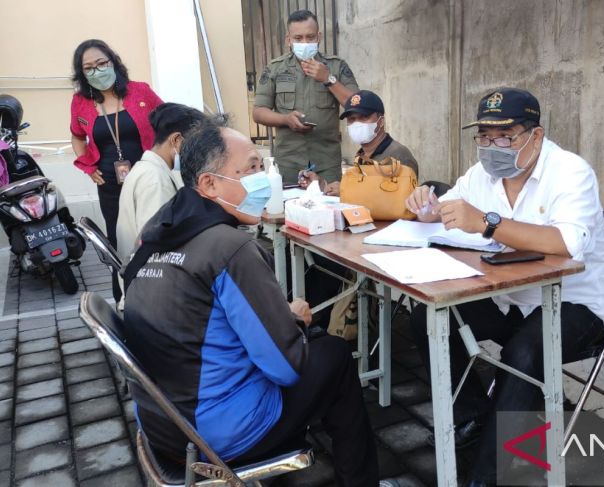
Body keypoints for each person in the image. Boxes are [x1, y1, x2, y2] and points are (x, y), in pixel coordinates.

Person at [122, 120, 384, 487]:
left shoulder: (156, 233)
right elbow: (285, 367)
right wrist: (294, 322)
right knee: (334, 355)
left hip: (160, 423)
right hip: (211, 436)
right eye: (251, 169)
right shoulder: (231, 248)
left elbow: (200, 320)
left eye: (262, 167)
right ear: (209, 184)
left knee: (313, 346)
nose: (262, 180)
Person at [405, 88, 604, 486]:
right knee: (429, 319)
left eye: (505, 137)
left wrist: (488, 223)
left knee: (525, 351)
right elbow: (450, 209)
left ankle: (487, 474)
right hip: (510, 297)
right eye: (485, 137)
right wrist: (429, 209)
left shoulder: (570, 171)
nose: (492, 147)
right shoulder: (481, 174)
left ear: (536, 136)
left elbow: (566, 243)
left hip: (577, 304)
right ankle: (472, 415)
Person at [69, 39, 163, 303]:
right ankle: (123, 297)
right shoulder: (80, 102)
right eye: (89, 68)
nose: (97, 71)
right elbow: (77, 137)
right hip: (110, 186)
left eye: (102, 63)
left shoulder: (140, 91)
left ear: (113, 62)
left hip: (147, 178)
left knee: (153, 233)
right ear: (82, 73)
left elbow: (167, 120)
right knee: (119, 240)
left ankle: (159, 295)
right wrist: (88, 166)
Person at [253, 9, 359, 184]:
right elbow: (258, 112)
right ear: (288, 40)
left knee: (328, 201)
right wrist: (285, 119)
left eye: (310, 37)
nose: (305, 42)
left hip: (326, 163)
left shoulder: (336, 66)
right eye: (298, 38)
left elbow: (356, 104)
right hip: (288, 163)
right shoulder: (275, 69)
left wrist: (328, 79)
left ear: (319, 37)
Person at [116, 103, 207, 264]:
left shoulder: (148, 169)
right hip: (149, 272)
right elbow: (157, 242)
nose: (197, 152)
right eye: (195, 144)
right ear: (176, 140)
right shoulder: (155, 179)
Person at [299, 89, 419, 195]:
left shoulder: (398, 155)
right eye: (352, 119)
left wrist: (348, 191)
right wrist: (320, 185)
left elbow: (401, 200)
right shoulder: (361, 156)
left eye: (364, 117)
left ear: (381, 121)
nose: (357, 123)